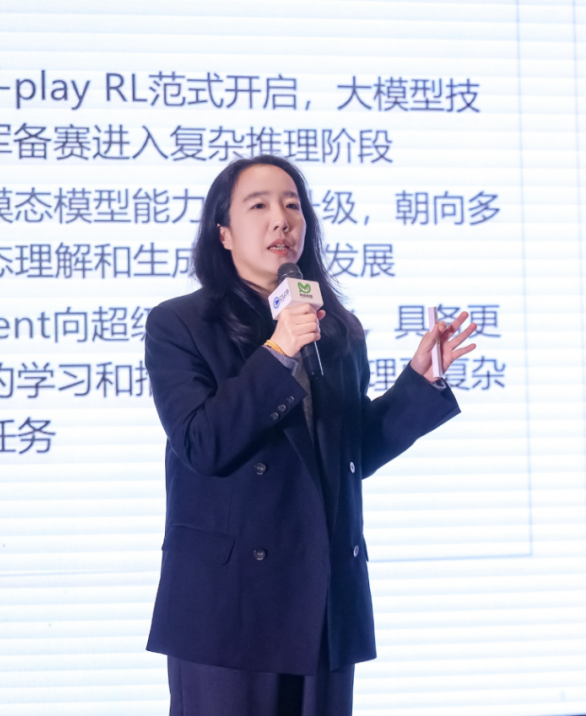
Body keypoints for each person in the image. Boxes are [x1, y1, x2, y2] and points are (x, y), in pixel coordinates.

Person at [143, 155, 476, 716]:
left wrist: (418, 383)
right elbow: (202, 443)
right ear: (223, 233)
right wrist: (277, 352)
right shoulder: (180, 323)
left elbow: (349, 453)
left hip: (321, 595)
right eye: (259, 205)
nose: (282, 219)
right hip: (228, 606)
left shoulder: (335, 327)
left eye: (293, 205)